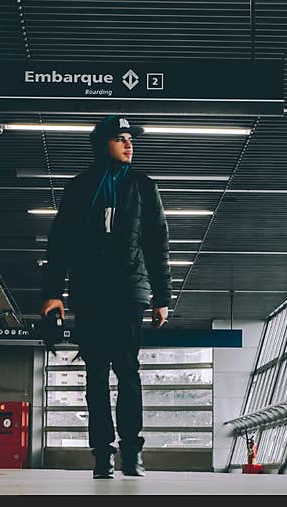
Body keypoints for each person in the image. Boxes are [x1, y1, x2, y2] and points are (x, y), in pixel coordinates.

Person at [40, 115, 172, 479]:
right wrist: (52, 293)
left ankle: (131, 453)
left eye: (131, 139)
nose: (129, 144)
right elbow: (60, 243)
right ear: (102, 145)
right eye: (120, 138)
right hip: (89, 293)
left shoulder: (144, 186)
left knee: (127, 371)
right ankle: (102, 454)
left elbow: (156, 243)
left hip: (130, 292)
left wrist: (162, 296)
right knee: (95, 375)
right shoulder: (79, 188)